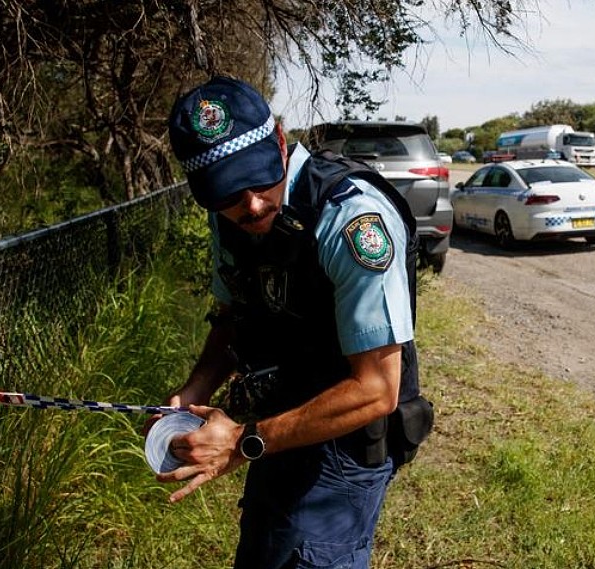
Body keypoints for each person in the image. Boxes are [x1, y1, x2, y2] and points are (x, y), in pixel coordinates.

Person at [158, 75, 432, 569]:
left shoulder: (352, 222)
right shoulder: (230, 219)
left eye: (258, 180)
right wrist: (196, 389)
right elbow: (232, 317)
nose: (252, 206)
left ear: (280, 141)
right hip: (276, 424)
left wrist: (243, 442)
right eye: (227, 194)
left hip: (345, 443)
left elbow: (376, 389)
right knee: (265, 549)